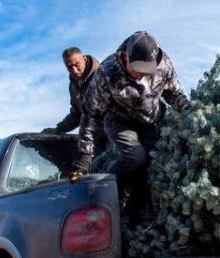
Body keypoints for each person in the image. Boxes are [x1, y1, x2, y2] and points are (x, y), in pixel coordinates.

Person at [70, 31, 189, 223]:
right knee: (135, 157)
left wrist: (188, 110)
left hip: (151, 120)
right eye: (137, 69)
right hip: (119, 120)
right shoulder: (107, 72)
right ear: (126, 56)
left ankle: (134, 214)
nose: (141, 75)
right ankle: (102, 189)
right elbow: (90, 114)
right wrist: (84, 156)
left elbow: (174, 93)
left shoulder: (163, 64)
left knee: (149, 164)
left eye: (145, 71)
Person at [43, 48, 106, 153]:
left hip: (115, 137)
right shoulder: (73, 86)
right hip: (96, 141)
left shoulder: (103, 76)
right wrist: (59, 129)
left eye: (77, 65)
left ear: (84, 59)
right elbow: (77, 114)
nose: (74, 70)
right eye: (69, 67)